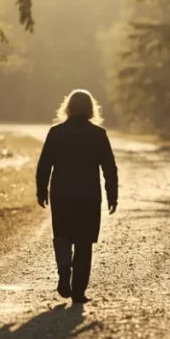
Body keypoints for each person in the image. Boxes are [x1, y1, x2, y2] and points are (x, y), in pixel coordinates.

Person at [36, 89, 118, 304]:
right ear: (91, 109)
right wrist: (112, 195)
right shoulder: (98, 135)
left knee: (62, 236)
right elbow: (109, 168)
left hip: (62, 193)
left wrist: (41, 190)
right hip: (88, 195)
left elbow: (44, 164)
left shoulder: (56, 132)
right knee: (84, 243)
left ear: (68, 108)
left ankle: (64, 271)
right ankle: (79, 292)